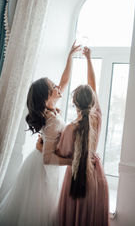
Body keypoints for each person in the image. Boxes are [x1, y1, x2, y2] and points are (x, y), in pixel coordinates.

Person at [0, 42, 80, 226]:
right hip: (42, 169)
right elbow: (48, 159)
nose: (58, 87)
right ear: (46, 97)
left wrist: (69, 57)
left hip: (42, 164)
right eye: (54, 86)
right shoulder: (51, 120)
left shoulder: (51, 110)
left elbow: (65, 80)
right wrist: (72, 161)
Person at [56, 46, 110, 226]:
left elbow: (61, 154)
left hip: (76, 178)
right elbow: (92, 85)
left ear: (74, 103)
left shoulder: (70, 128)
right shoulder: (97, 117)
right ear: (93, 102)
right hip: (97, 178)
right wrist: (88, 59)